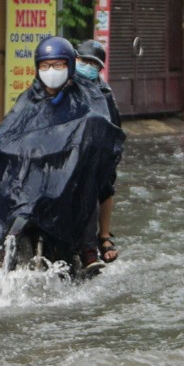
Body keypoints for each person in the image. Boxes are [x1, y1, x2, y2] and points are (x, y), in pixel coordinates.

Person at [0, 36, 125, 274]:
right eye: (45, 66)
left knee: (87, 188)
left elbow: (100, 126)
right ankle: (5, 249)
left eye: (58, 65)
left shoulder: (89, 95)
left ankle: (88, 249)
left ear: (69, 66)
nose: (51, 71)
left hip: (71, 170)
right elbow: (8, 132)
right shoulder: (28, 99)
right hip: (33, 173)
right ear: (38, 67)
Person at [74, 40, 121, 262]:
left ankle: (102, 235)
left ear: (99, 69)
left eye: (93, 63)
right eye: (84, 60)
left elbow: (113, 131)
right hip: (57, 150)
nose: (87, 66)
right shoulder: (60, 84)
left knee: (102, 179)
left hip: (89, 152)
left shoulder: (105, 93)